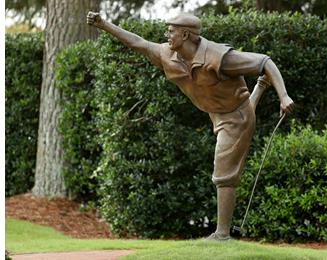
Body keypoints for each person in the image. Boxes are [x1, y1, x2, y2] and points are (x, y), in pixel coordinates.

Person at [87, 12, 294, 240]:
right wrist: (104, 25)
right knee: (237, 117)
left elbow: (265, 61)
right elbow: (139, 43)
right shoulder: (168, 54)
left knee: (223, 171)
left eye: (171, 31)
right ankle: (258, 90)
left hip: (235, 117)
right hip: (215, 111)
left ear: (185, 34)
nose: (166, 34)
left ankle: (222, 234)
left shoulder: (218, 56)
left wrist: (283, 96)